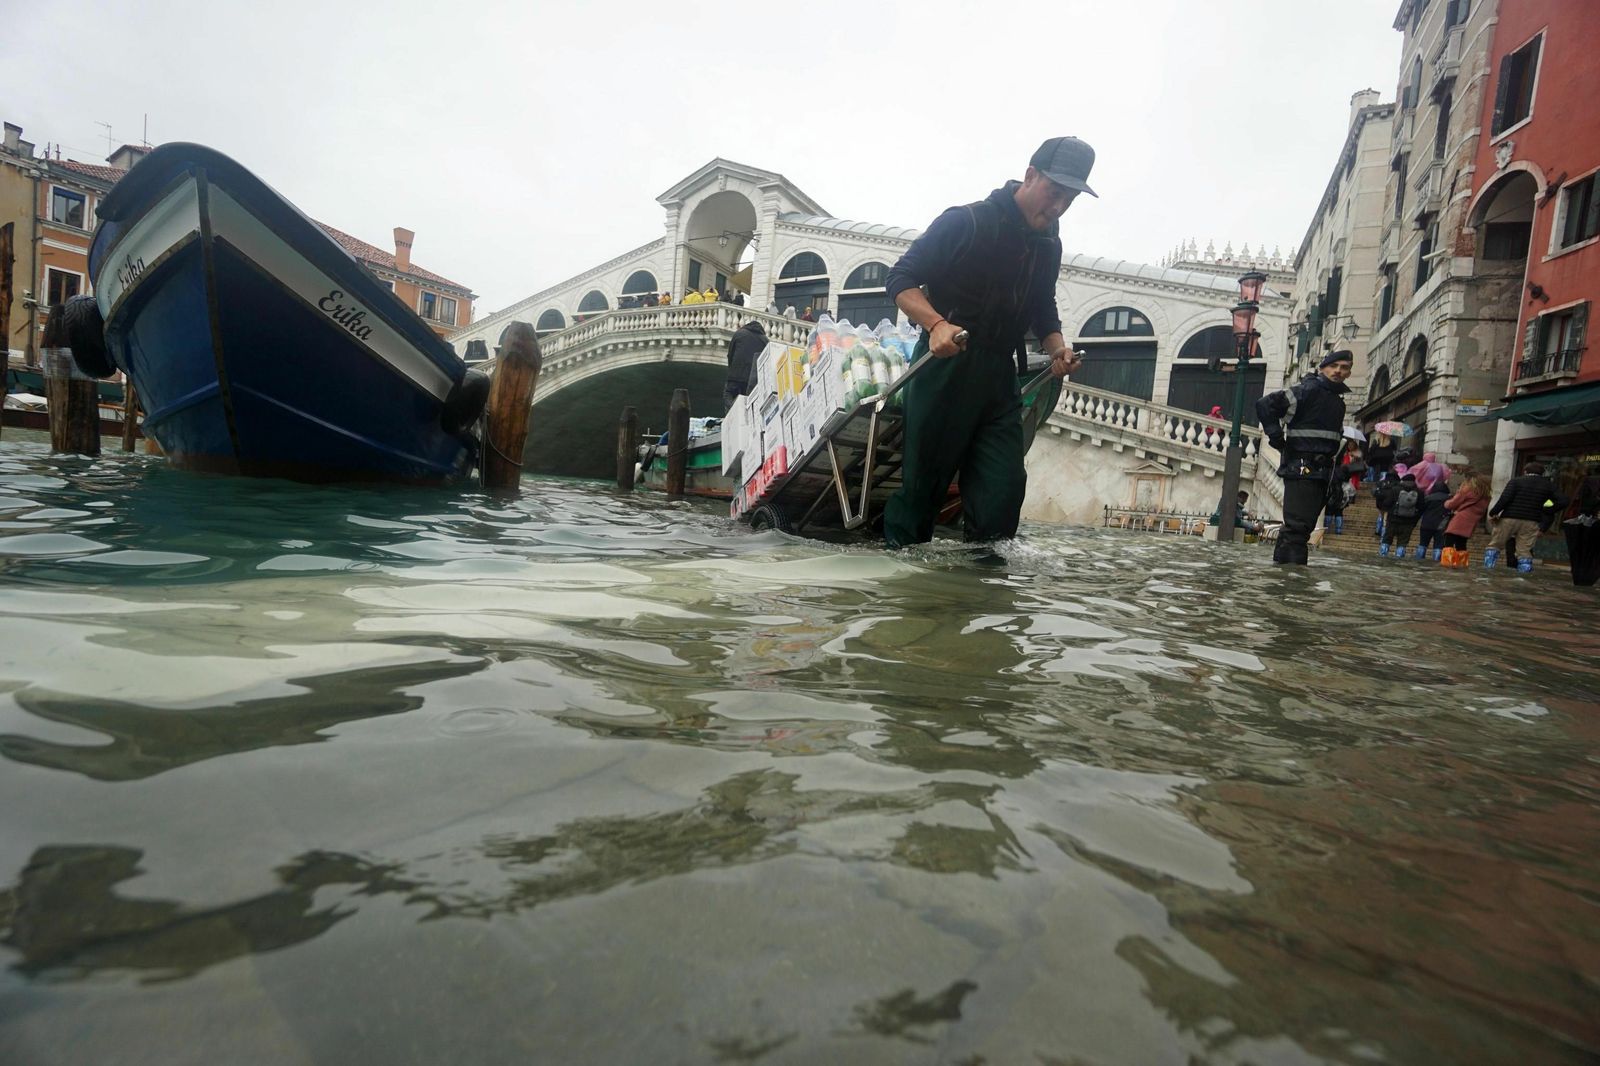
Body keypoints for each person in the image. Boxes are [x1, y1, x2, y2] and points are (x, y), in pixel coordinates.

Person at [881, 135, 1095, 546]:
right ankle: (902, 592)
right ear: (1030, 176)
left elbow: (1042, 306)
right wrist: (935, 324)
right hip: (944, 365)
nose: (1058, 207)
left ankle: (984, 595)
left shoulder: (1050, 241)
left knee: (1004, 490)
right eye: (1054, 193)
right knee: (922, 492)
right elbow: (900, 279)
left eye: (1069, 199)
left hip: (1000, 377)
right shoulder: (966, 221)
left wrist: (1057, 350)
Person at [1255, 350, 1353, 564]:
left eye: (1344, 367)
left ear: (1348, 372)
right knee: (1297, 530)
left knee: (1299, 530)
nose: (1338, 371)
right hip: (1302, 467)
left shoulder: (1337, 402)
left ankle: (1283, 579)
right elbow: (1264, 404)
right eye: (1334, 366)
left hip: (1321, 472)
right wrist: (1276, 438)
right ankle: (1291, 585)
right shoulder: (1307, 391)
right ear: (1323, 368)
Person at [1486, 461, 1567, 568]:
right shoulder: (1548, 485)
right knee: (1524, 551)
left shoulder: (1516, 481)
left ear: (1525, 471)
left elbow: (1505, 499)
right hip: (1531, 521)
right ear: (1542, 473)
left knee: (1495, 545)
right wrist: (1547, 509)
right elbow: (1564, 501)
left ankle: (1488, 570)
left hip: (1509, 518)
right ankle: (1523, 576)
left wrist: (1493, 512)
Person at [723, 319, 767, 413]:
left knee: (728, 394)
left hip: (735, 375)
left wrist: (731, 371)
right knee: (747, 402)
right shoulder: (765, 340)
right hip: (751, 380)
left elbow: (730, 354)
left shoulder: (739, 333)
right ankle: (742, 417)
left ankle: (732, 414)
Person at [1442, 470, 1491, 554]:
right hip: (1471, 522)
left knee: (1448, 542)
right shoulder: (1485, 494)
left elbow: (1451, 504)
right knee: (1461, 544)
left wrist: (1447, 502)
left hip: (1460, 520)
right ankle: (1461, 564)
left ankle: (1447, 564)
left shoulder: (1468, 490)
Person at [1416, 474, 1453, 560]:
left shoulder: (1428, 498)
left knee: (1423, 544)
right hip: (1441, 525)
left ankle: (1419, 559)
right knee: (1438, 545)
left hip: (1426, 524)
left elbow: (1421, 509)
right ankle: (1436, 560)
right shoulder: (1449, 498)